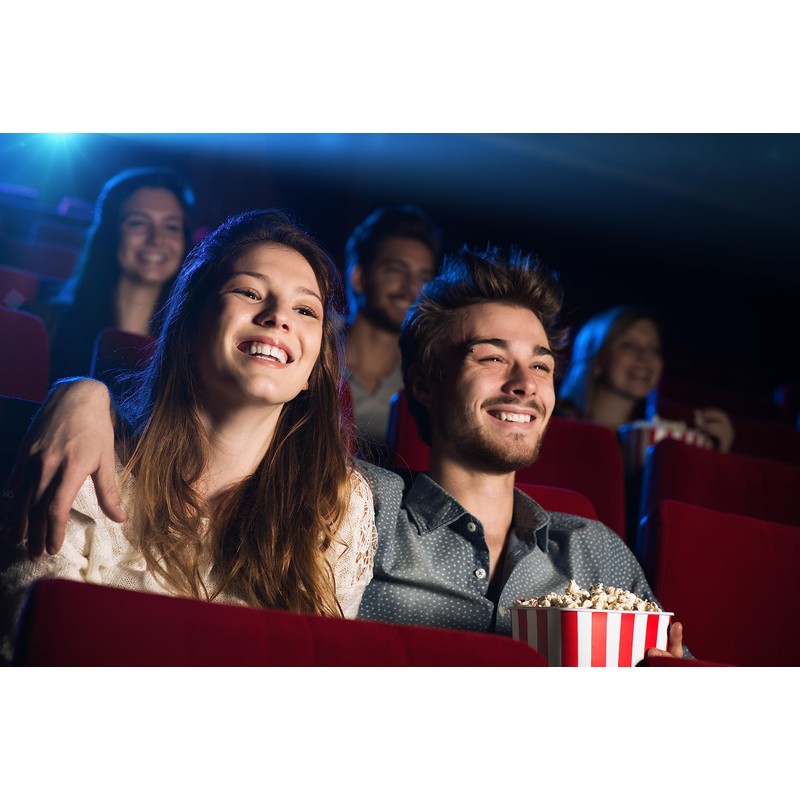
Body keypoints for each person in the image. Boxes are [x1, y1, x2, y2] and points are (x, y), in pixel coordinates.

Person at [4, 244, 683, 659]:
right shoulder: (351, 502)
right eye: (491, 357)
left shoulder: (600, 552)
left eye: (541, 365)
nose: (525, 383)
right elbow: (225, 434)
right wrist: (83, 392)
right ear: (423, 382)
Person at [1, 209, 377, 663]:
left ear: (313, 373)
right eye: (249, 292)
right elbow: (32, 650)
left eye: (305, 310)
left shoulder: (340, 503)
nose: (279, 316)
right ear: (190, 323)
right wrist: (80, 390)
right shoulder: (90, 458)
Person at [28, 166, 196, 383]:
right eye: (138, 223)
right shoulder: (44, 324)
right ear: (110, 233)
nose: (156, 239)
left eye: (171, 227)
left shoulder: (189, 348)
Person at [556, 305, 735, 452]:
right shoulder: (553, 422)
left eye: (654, 349)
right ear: (595, 359)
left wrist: (714, 455)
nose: (644, 357)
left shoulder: (657, 443)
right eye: (628, 345)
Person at [342, 204, 441, 464]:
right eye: (396, 270)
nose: (412, 289)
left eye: (424, 279)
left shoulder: (426, 382)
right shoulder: (309, 350)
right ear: (359, 277)